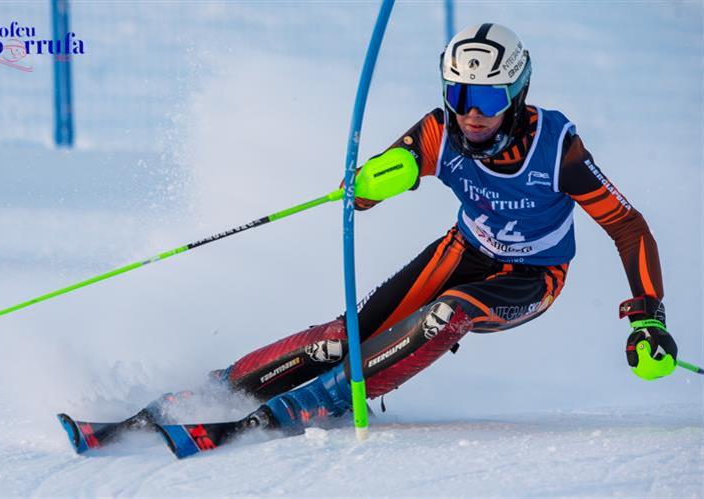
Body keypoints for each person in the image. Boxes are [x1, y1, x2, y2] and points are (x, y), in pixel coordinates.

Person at [178, 23, 678, 430]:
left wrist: (647, 317)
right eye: (459, 95)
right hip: (462, 250)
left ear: (519, 93)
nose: (473, 114)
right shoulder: (441, 130)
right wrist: (370, 181)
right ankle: (215, 390)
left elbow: (628, 226)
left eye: (489, 97)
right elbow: (367, 190)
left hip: (532, 275)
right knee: (343, 336)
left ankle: (321, 400)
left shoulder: (558, 149)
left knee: (449, 312)